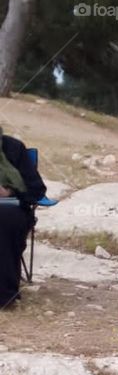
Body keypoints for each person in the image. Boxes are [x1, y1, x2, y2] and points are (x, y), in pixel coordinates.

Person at [0, 125, 47, 310]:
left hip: (10, 209)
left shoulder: (13, 148)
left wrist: (9, 191)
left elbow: (36, 190)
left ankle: (4, 295)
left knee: (4, 219)